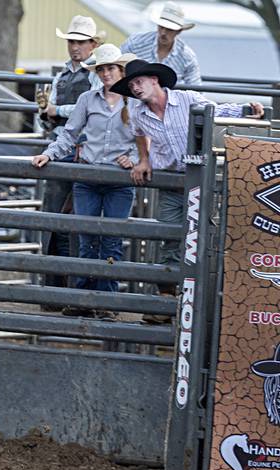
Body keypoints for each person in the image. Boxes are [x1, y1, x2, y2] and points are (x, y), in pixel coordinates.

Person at [111, 59, 264, 323]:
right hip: (172, 180)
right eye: (132, 84)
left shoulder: (186, 99)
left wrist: (246, 109)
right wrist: (144, 158)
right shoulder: (138, 112)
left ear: (154, 80)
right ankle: (167, 297)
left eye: (139, 82)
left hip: (200, 180)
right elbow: (138, 133)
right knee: (170, 235)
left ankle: (205, 303)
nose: (136, 88)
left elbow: (218, 110)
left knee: (204, 236)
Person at [32, 45, 138, 320]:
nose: (105, 74)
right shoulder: (88, 100)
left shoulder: (134, 102)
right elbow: (69, 135)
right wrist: (49, 153)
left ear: (121, 70)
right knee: (85, 237)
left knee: (111, 240)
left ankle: (105, 300)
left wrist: (135, 158)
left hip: (118, 178)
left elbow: (146, 136)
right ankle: (83, 298)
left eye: (110, 68)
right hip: (88, 174)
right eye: (101, 69)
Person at [39, 15, 104, 294]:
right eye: (72, 41)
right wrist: (46, 114)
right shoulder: (61, 77)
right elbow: (48, 117)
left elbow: (91, 108)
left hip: (86, 148)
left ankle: (73, 288)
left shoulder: (96, 75)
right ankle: (56, 288)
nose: (75, 47)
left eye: (80, 42)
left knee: (76, 219)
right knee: (55, 219)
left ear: (92, 44)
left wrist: (56, 112)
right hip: (61, 145)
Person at [120, 1, 201, 86]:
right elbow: (117, 67)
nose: (163, 32)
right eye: (161, 27)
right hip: (134, 95)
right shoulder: (135, 42)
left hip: (170, 98)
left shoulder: (187, 56)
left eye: (169, 29)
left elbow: (196, 88)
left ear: (179, 31)